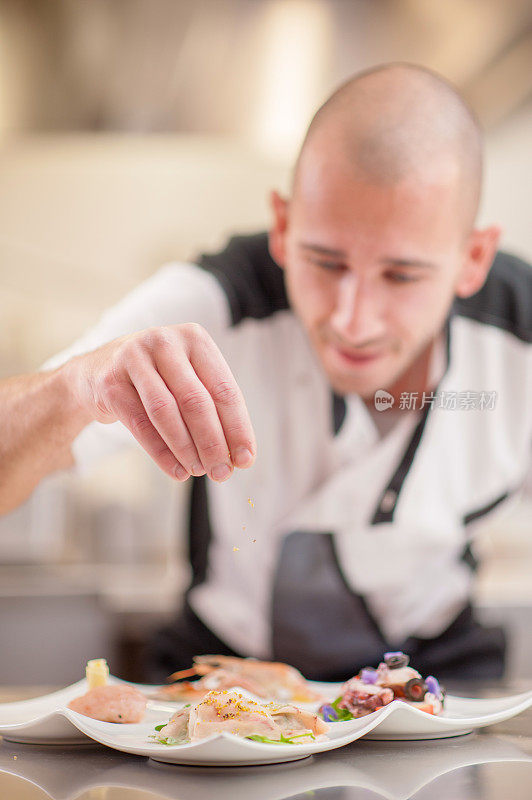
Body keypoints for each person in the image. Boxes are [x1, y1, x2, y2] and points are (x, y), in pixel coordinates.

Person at [1, 64, 531, 681]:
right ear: (282, 226)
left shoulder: (520, 336)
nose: (353, 319)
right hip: (217, 682)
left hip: (438, 680)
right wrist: (74, 387)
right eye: (325, 262)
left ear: (472, 260)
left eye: (402, 276)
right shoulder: (211, 304)